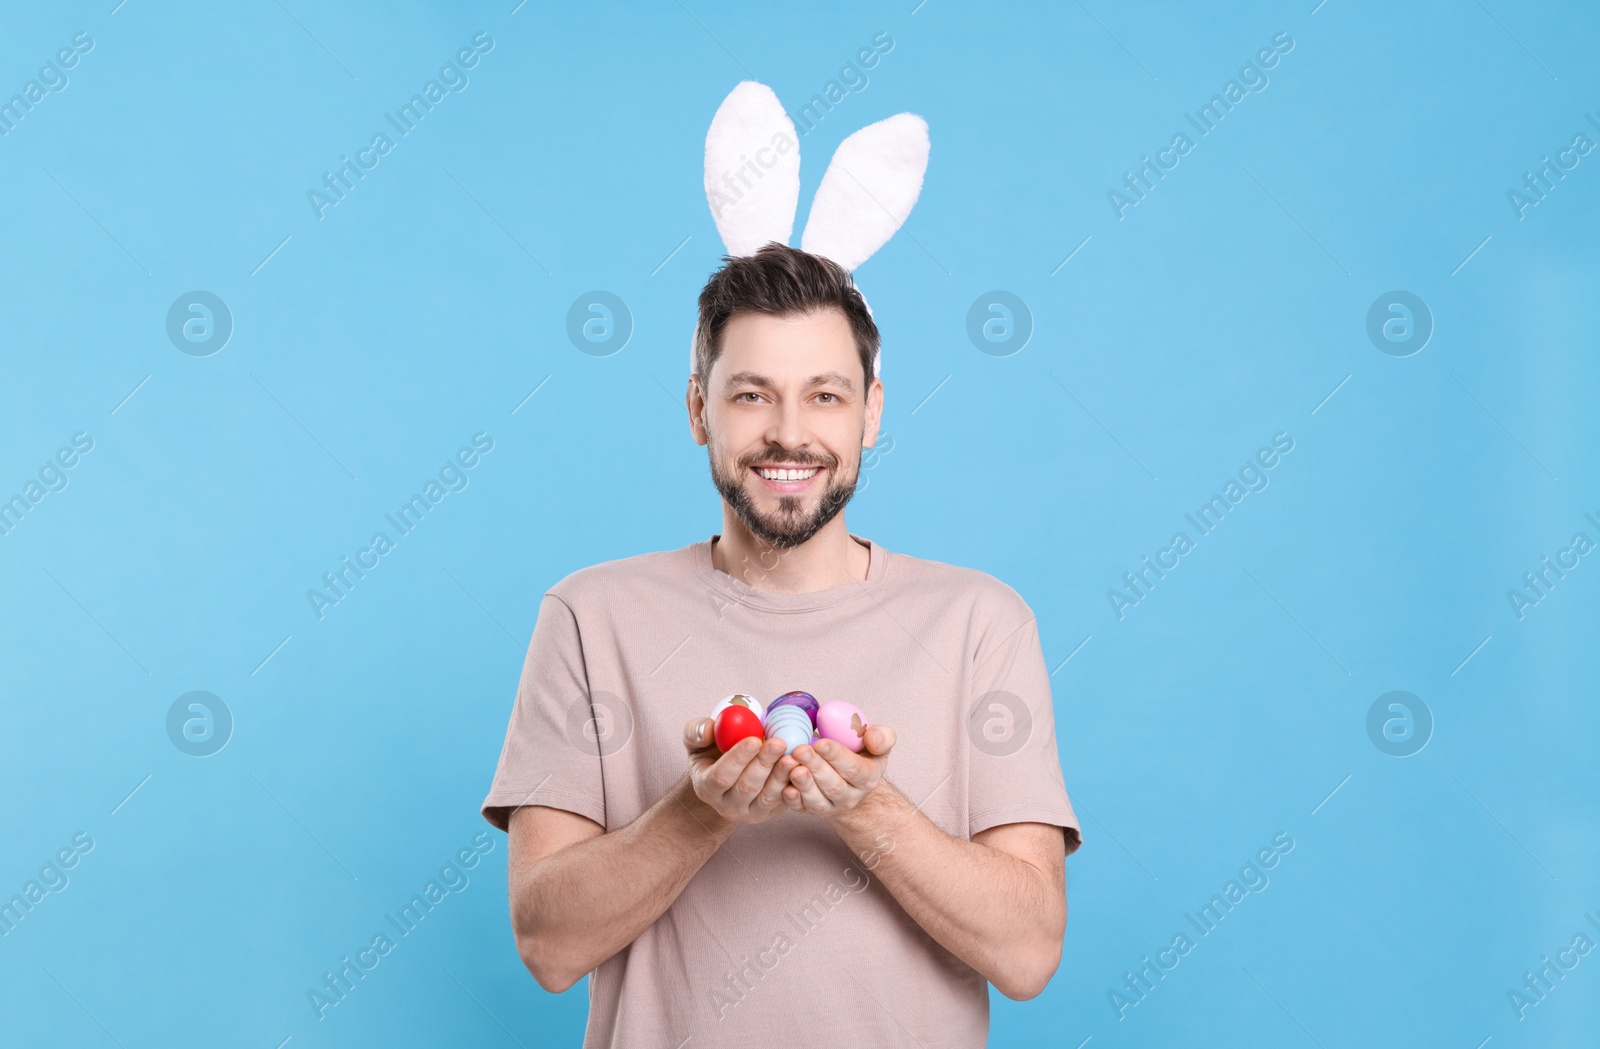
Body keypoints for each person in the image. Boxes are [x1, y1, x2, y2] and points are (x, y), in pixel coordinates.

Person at [480, 243, 1082, 1048]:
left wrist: (867, 807)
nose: (789, 435)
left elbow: (1030, 952)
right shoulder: (592, 616)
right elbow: (548, 945)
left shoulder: (981, 622)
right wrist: (702, 809)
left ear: (871, 410)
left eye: (825, 396)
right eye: (752, 395)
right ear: (699, 409)